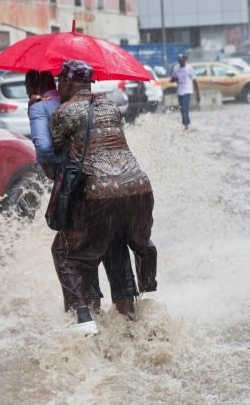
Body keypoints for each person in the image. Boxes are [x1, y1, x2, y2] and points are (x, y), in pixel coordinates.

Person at [50, 60, 158, 334]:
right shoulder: (110, 105)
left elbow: (54, 159)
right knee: (117, 244)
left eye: (59, 81)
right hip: (138, 186)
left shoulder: (63, 112)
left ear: (69, 82)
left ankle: (85, 321)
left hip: (98, 192)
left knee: (66, 252)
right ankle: (140, 307)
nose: (57, 86)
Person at [25, 70, 139, 316]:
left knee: (69, 254)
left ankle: (85, 326)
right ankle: (129, 323)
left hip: (84, 192)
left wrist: (61, 170)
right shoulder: (101, 102)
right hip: (124, 185)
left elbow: (45, 150)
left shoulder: (43, 109)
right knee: (114, 247)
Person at [171, 54, 200, 130]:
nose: (180, 62)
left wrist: (198, 94)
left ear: (185, 60)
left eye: (181, 60)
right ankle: (187, 123)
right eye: (179, 60)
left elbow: (194, 81)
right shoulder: (176, 68)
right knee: (182, 109)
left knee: (185, 108)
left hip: (187, 91)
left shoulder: (189, 68)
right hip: (179, 91)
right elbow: (173, 78)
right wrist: (174, 80)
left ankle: (186, 125)